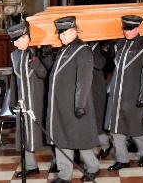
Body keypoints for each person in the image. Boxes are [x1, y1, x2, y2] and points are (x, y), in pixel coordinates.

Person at [46, 16, 100, 183]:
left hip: (75, 105)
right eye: (59, 34)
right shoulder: (64, 49)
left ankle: (93, 168)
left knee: (81, 140)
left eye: (62, 34)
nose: (60, 37)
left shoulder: (83, 50)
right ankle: (64, 174)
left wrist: (80, 105)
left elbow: (84, 81)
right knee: (61, 140)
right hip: (60, 106)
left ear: (73, 31)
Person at [104, 15, 143, 171]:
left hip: (133, 96)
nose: (126, 32)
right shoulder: (119, 45)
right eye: (125, 28)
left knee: (135, 128)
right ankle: (122, 159)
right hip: (116, 95)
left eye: (130, 29)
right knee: (116, 128)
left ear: (138, 29)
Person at [7, 22, 49, 178]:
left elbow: (45, 74)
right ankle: (31, 166)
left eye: (23, 38)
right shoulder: (14, 56)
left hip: (39, 101)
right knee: (25, 133)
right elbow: (13, 81)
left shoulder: (38, 52)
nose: (19, 43)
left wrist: (36, 61)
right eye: (18, 40)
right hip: (23, 102)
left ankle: (59, 164)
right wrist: (12, 102)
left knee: (45, 132)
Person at [88, 41, 114, 158]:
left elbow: (101, 64)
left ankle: (105, 145)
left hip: (97, 87)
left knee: (98, 118)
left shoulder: (101, 46)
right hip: (84, 86)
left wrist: (89, 52)